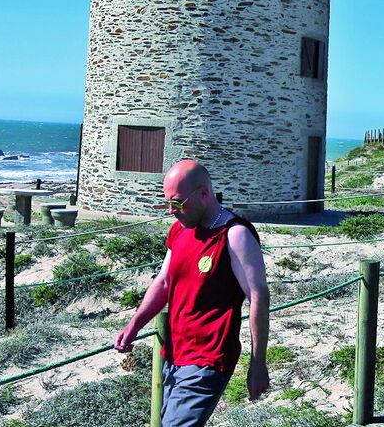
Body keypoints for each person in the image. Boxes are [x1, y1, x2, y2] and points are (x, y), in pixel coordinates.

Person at [114, 160, 269, 426]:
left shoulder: (235, 235)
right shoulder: (179, 229)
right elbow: (163, 282)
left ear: (204, 194)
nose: (171, 211)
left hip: (209, 357)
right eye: (168, 203)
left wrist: (258, 364)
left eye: (178, 202)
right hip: (172, 353)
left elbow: (259, 297)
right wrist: (134, 325)